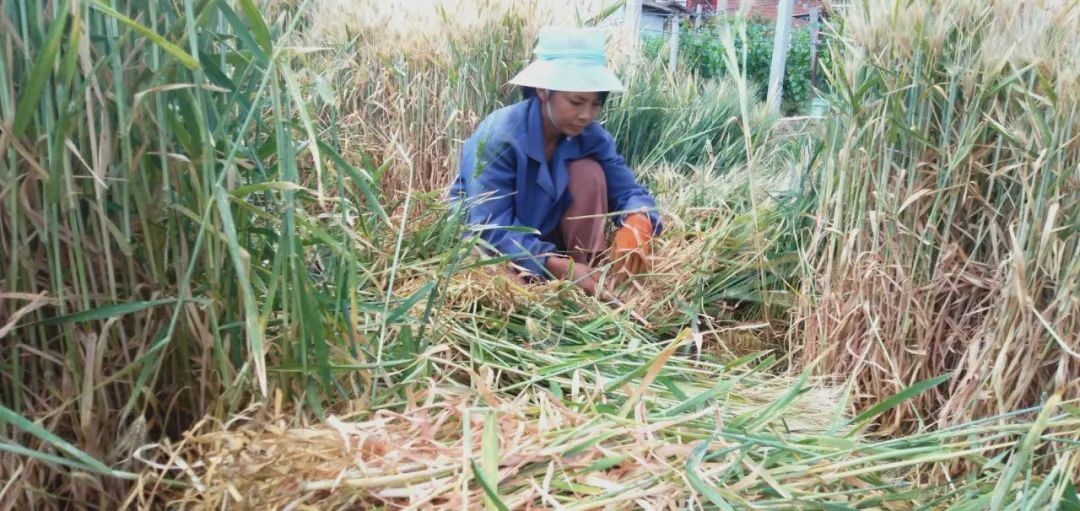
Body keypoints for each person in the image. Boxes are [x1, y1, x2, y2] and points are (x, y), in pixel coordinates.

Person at [449, 26, 661, 297]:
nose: (586, 115)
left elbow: (629, 191)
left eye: (595, 104)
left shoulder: (592, 137)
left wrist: (638, 221)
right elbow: (489, 225)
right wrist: (555, 266)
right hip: (489, 242)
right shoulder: (498, 136)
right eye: (576, 102)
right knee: (509, 290)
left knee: (589, 172)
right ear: (542, 90)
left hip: (546, 238)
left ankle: (589, 272)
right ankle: (562, 275)